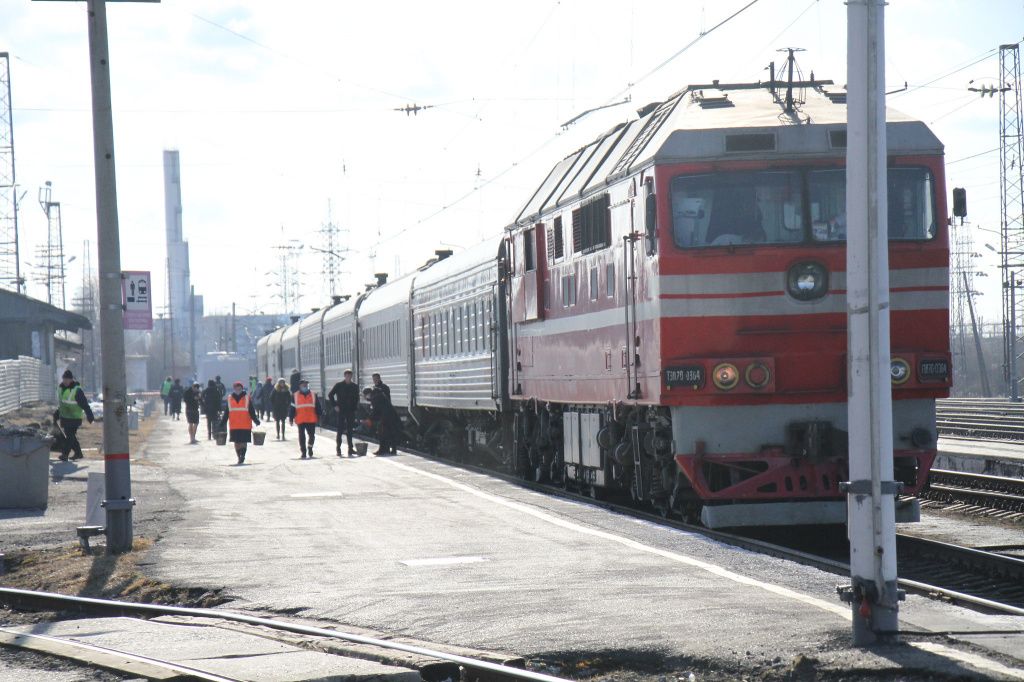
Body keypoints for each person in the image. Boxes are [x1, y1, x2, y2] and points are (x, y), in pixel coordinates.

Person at [54, 369, 95, 461]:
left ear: (71, 379)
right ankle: (78, 453)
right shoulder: (60, 389)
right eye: (64, 379)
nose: (65, 381)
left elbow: (85, 404)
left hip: (75, 417)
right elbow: (62, 403)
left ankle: (65, 454)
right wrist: (57, 413)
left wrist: (90, 415)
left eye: (67, 379)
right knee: (71, 436)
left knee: (70, 435)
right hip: (64, 417)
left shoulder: (77, 390)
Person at [219, 380, 260, 464]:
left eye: (239, 387)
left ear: (242, 388)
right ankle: (239, 456)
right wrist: (222, 422)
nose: (238, 389)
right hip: (234, 425)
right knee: (236, 442)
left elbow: (251, 411)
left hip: (245, 424)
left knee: (244, 442)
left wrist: (256, 420)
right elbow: (227, 412)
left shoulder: (247, 398)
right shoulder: (230, 398)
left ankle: (242, 456)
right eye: (236, 387)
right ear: (234, 388)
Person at [328, 369, 359, 457]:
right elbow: (330, 395)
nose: (348, 377)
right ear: (345, 376)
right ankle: (338, 448)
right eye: (347, 376)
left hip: (350, 410)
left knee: (350, 430)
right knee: (340, 429)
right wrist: (334, 405)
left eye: (350, 376)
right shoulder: (339, 385)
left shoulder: (354, 386)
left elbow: (356, 398)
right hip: (341, 410)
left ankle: (350, 449)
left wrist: (355, 408)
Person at [289, 379, 323, 459]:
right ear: (300, 386)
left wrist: (320, 415)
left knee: (311, 436)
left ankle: (310, 447)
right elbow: (292, 408)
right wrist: (291, 418)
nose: (305, 386)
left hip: (311, 418)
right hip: (300, 419)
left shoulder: (313, 394)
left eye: (306, 384)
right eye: (303, 384)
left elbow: (318, 406)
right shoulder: (295, 395)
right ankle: (303, 452)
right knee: (302, 436)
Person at [362, 386, 399, 455]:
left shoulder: (375, 398)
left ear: (368, 393)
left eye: (365, 395)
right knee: (390, 433)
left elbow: (375, 411)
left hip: (386, 417)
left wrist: (369, 419)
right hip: (391, 416)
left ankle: (382, 450)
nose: (366, 397)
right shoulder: (378, 395)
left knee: (381, 433)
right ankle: (391, 450)